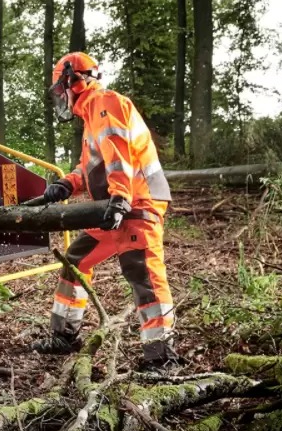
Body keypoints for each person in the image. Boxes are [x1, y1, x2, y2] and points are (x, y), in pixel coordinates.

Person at [31, 51, 178, 369]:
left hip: (138, 205)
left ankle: (162, 358)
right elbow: (90, 168)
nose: (61, 98)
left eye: (61, 90)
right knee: (75, 262)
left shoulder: (106, 102)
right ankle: (64, 336)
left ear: (73, 80)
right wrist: (66, 185)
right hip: (115, 208)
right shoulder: (91, 118)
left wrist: (122, 198)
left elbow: (119, 156)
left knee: (145, 277)